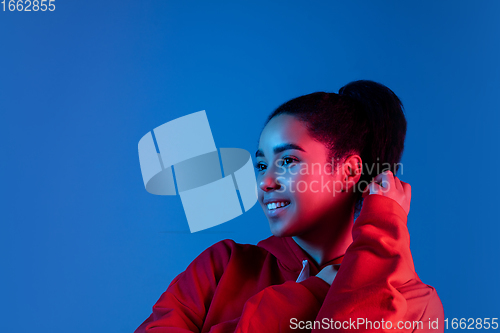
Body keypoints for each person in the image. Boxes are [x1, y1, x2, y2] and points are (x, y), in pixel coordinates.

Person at [134, 80, 444, 332]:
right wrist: (307, 295)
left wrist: (381, 230)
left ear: (349, 171)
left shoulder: (413, 301)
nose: (265, 182)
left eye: (287, 161)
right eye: (260, 164)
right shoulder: (221, 268)